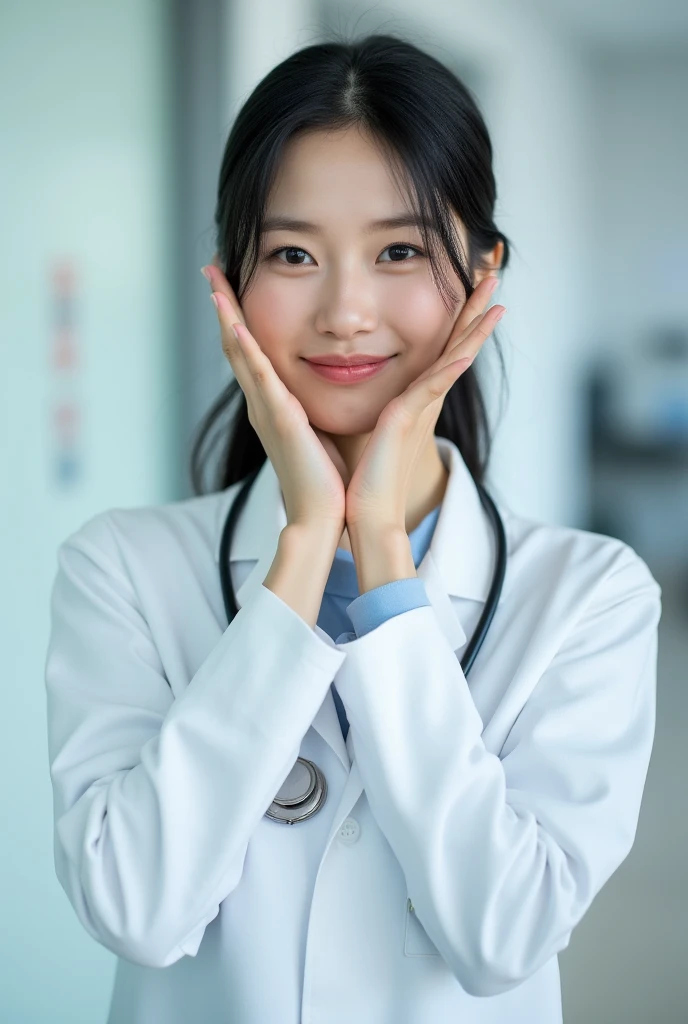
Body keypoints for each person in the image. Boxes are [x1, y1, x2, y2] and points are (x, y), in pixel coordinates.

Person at [44, 33, 661, 1024]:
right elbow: (136, 909)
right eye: (292, 253)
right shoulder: (120, 569)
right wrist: (301, 556)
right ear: (229, 282)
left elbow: (501, 936)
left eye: (400, 250)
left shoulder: (590, 595)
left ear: (483, 274)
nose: (344, 310)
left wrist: (379, 549)